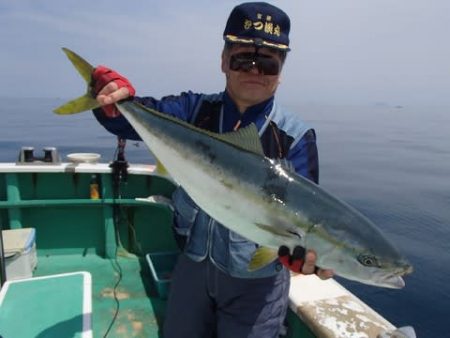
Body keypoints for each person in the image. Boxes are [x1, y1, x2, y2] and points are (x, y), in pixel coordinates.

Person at [92, 2, 333, 337]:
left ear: (281, 71)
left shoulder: (295, 137)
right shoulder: (194, 110)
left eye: (267, 62)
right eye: (241, 59)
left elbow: (307, 216)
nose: (254, 70)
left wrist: (297, 254)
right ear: (223, 62)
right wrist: (110, 100)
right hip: (192, 265)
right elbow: (131, 122)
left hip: (256, 284)